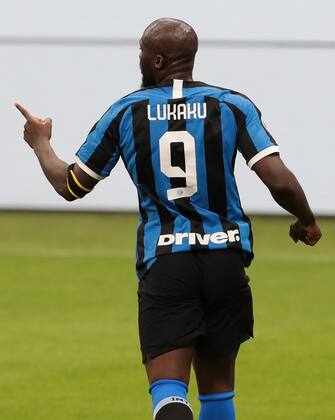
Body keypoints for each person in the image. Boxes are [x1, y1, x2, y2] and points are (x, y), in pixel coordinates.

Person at [16, 17, 321, 420]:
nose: (138, 58)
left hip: (166, 260)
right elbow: (279, 181)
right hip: (225, 258)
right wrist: (307, 220)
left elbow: (71, 184)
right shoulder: (232, 104)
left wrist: (40, 143)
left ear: (156, 60)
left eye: (142, 52)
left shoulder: (126, 110)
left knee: (169, 392)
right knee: (218, 394)